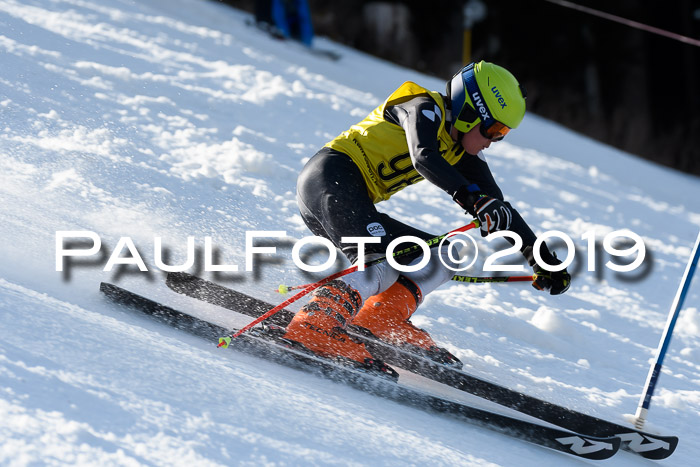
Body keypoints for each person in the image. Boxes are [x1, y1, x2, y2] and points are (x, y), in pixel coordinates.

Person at [284, 60, 571, 374]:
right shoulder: (422, 107)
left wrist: (539, 256)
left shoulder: (462, 151)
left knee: (443, 254)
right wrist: (470, 197)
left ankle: (380, 319)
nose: (494, 140)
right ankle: (314, 325)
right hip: (328, 180)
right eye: (494, 129)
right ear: (469, 112)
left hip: (355, 204)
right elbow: (424, 156)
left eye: (502, 134)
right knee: (378, 259)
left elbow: (498, 206)